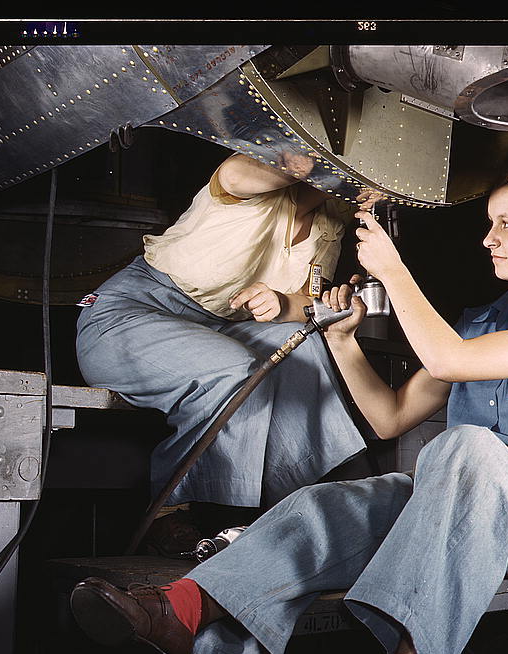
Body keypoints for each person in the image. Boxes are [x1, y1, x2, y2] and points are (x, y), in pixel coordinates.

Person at [69, 150, 508, 654]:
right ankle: (180, 614)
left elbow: (448, 363)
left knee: (465, 446)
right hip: (451, 500)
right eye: (488, 222)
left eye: (507, 225)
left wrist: (395, 272)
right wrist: (342, 339)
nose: (488, 239)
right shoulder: (477, 321)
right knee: (328, 503)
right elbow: (388, 417)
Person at [74, 150, 376, 520]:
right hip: (131, 314)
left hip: (217, 328)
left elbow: (307, 302)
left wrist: (282, 303)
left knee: (305, 342)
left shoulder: (332, 221)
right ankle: (176, 514)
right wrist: (315, 164)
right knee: (233, 369)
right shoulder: (255, 179)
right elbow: (234, 176)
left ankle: (311, 509)